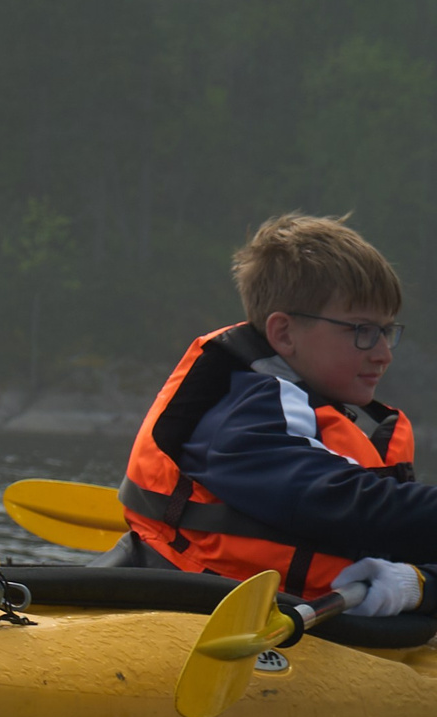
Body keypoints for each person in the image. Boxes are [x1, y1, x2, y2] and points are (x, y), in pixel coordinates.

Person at [121, 212, 431, 615]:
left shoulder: (332, 417)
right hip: (196, 609)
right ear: (284, 334)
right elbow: (346, 506)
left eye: (386, 331)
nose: (383, 354)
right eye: (362, 331)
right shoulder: (245, 417)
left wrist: (417, 585)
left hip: (301, 614)